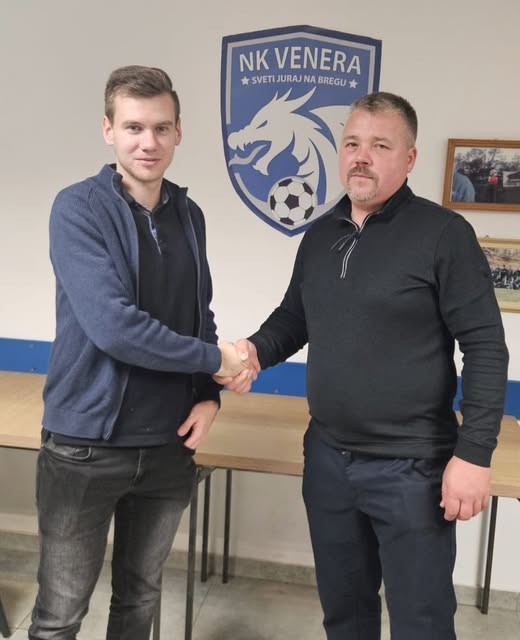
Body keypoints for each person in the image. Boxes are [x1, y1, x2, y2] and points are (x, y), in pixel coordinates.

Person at [220, 92, 509, 639]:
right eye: (352, 143)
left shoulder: (444, 235)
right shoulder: (320, 235)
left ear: (409, 158)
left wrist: (473, 455)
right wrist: (256, 349)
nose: (362, 156)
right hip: (328, 462)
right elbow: (294, 317)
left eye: (380, 145)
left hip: (412, 469)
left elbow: (487, 347)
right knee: (345, 618)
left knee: (421, 624)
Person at [29, 65, 246, 640]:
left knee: (140, 602)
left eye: (160, 128)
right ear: (108, 130)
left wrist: (210, 397)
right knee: (59, 616)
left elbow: (199, 314)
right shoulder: (77, 208)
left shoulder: (189, 216)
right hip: (86, 448)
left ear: (178, 132)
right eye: (133, 127)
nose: (148, 142)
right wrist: (216, 361)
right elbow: (115, 329)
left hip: (168, 447)